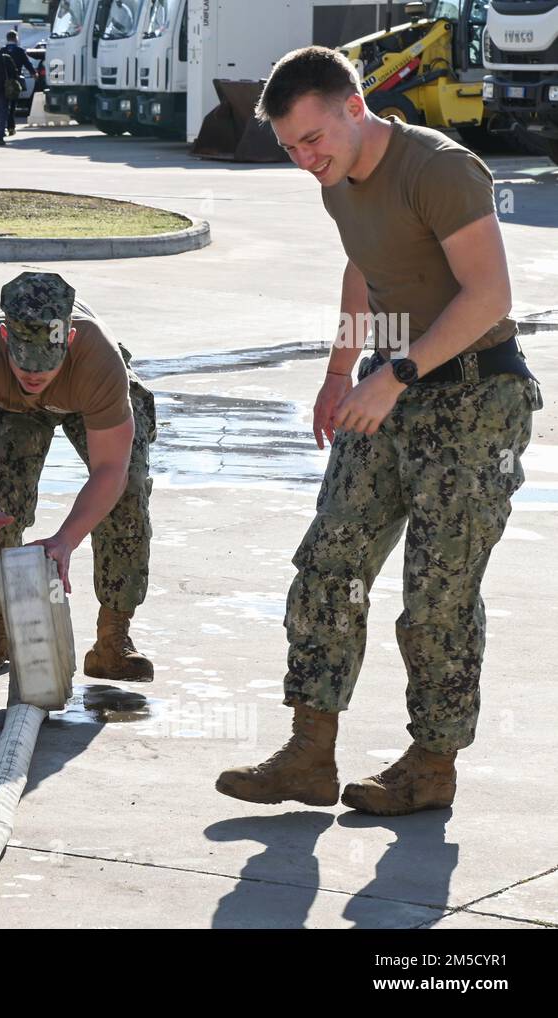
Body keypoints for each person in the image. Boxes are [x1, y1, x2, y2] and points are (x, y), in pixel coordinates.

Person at [216, 47, 542, 816]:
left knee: (437, 594)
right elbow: (365, 271)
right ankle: (309, 754)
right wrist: (340, 374)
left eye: (312, 140)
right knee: (330, 563)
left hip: (472, 398)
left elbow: (489, 295)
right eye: (290, 147)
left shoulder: (440, 169)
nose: (304, 160)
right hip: (388, 389)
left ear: (353, 109)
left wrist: (395, 375)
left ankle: (431, 768)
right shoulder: (339, 178)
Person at [0, 272, 157, 681]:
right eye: (24, 364)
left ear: (69, 340)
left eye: (45, 365)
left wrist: (66, 539)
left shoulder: (98, 358)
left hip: (87, 398)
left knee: (126, 494)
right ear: (5, 338)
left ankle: (114, 636)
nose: (34, 376)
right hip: (9, 408)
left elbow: (111, 469)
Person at [1, 30, 36, 136]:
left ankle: (3, 126)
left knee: (3, 105)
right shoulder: (20, 51)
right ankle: (11, 127)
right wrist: (34, 73)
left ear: (7, 39)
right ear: (15, 38)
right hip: (15, 81)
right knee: (12, 105)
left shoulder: (2, 50)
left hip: (3, 81)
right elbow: (27, 63)